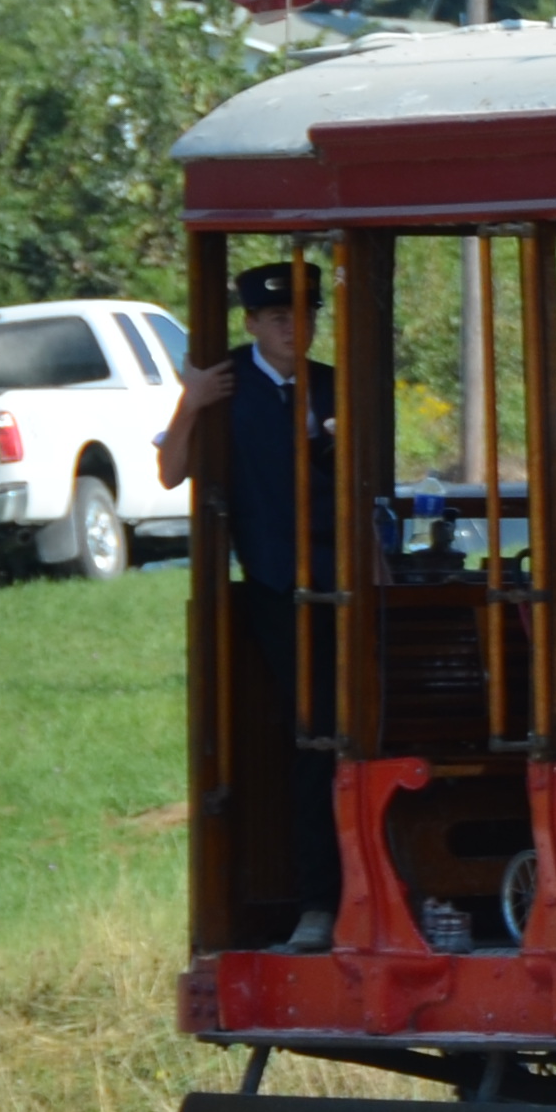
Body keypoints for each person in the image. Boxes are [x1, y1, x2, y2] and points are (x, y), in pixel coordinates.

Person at [154, 258, 337, 947]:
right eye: (280, 317)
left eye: (307, 315)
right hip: (275, 591)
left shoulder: (333, 387)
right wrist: (191, 402)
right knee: (315, 735)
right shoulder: (223, 385)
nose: (297, 328)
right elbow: (170, 472)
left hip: (344, 588)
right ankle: (315, 902)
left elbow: (364, 485)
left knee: (355, 734)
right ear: (253, 323)